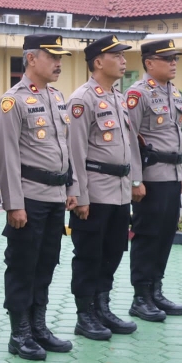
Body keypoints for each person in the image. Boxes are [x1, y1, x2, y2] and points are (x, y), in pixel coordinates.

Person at [0, 34, 76, 361]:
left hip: (55, 196)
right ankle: (20, 333)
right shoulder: (12, 101)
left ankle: (39, 326)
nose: (58, 63)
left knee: (46, 263)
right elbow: (7, 158)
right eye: (51, 56)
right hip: (29, 199)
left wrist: (70, 188)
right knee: (22, 266)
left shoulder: (56, 97)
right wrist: (14, 204)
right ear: (31, 59)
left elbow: (64, 148)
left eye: (60, 57)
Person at [66, 35, 140, 341]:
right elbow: (75, 151)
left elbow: (130, 145)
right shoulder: (82, 99)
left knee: (112, 252)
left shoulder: (118, 97)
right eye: (117, 56)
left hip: (120, 191)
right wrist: (80, 195)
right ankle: (85, 315)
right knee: (89, 255)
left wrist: (135, 181)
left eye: (124, 55)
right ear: (98, 62)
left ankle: (102, 307)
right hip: (94, 193)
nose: (124, 60)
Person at [126, 39, 182, 322]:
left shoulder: (173, 92)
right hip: (151, 179)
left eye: (175, 58)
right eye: (168, 59)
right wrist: (135, 180)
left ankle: (156, 291)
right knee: (148, 235)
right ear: (149, 63)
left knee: (165, 235)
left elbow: (177, 134)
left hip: (172, 176)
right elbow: (129, 140)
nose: (174, 62)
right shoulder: (138, 94)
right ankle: (140, 297)